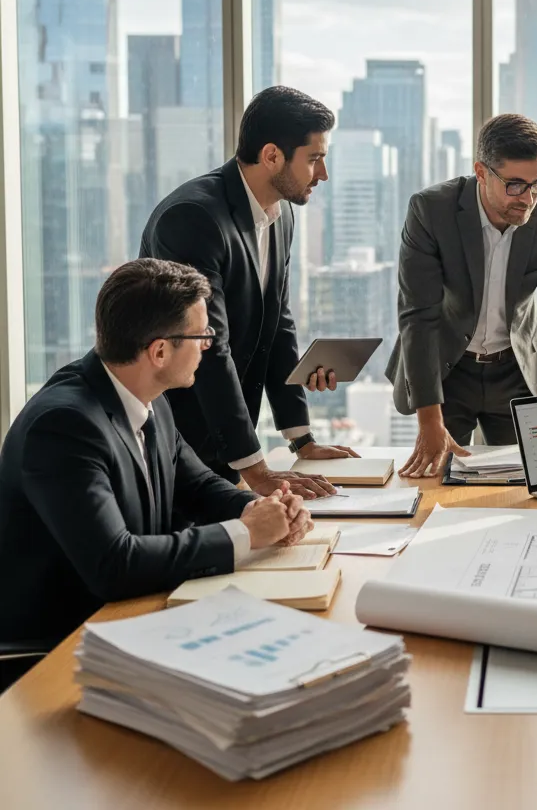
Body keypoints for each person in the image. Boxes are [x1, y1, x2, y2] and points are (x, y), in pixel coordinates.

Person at [0, 259, 312, 688]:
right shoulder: (63, 426)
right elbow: (115, 564)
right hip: (59, 652)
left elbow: (198, 485)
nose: (209, 344)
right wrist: (247, 534)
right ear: (159, 351)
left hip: (137, 618)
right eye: (203, 335)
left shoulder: (147, 395)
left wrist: (265, 507)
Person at [140, 86, 357, 500]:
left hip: (228, 445)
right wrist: (257, 470)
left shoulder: (282, 215)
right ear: (272, 155)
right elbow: (208, 346)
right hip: (181, 439)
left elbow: (278, 324)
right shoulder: (194, 218)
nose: (323, 174)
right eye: (314, 159)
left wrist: (301, 439)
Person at [388, 112, 537, 478]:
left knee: (524, 486)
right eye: (514, 185)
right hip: (448, 369)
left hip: (516, 370)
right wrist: (429, 417)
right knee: (438, 483)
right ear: (481, 172)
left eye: (536, 183)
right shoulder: (431, 210)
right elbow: (418, 316)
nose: (527, 198)